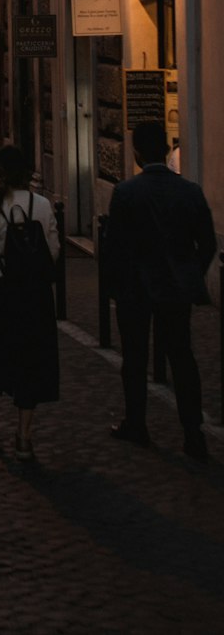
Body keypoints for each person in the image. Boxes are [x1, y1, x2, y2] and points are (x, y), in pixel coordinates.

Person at [105, 120, 217, 461]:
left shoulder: (125, 193)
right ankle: (193, 432)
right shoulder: (190, 191)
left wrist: (117, 287)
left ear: (136, 152)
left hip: (137, 289)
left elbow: (114, 247)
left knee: (134, 360)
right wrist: (190, 273)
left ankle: (137, 424)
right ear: (167, 150)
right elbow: (208, 243)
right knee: (182, 358)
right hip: (174, 289)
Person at [0, 144, 60, 462]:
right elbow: (53, 253)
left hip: (0, 292)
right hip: (35, 294)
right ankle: (24, 435)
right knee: (31, 359)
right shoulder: (43, 205)